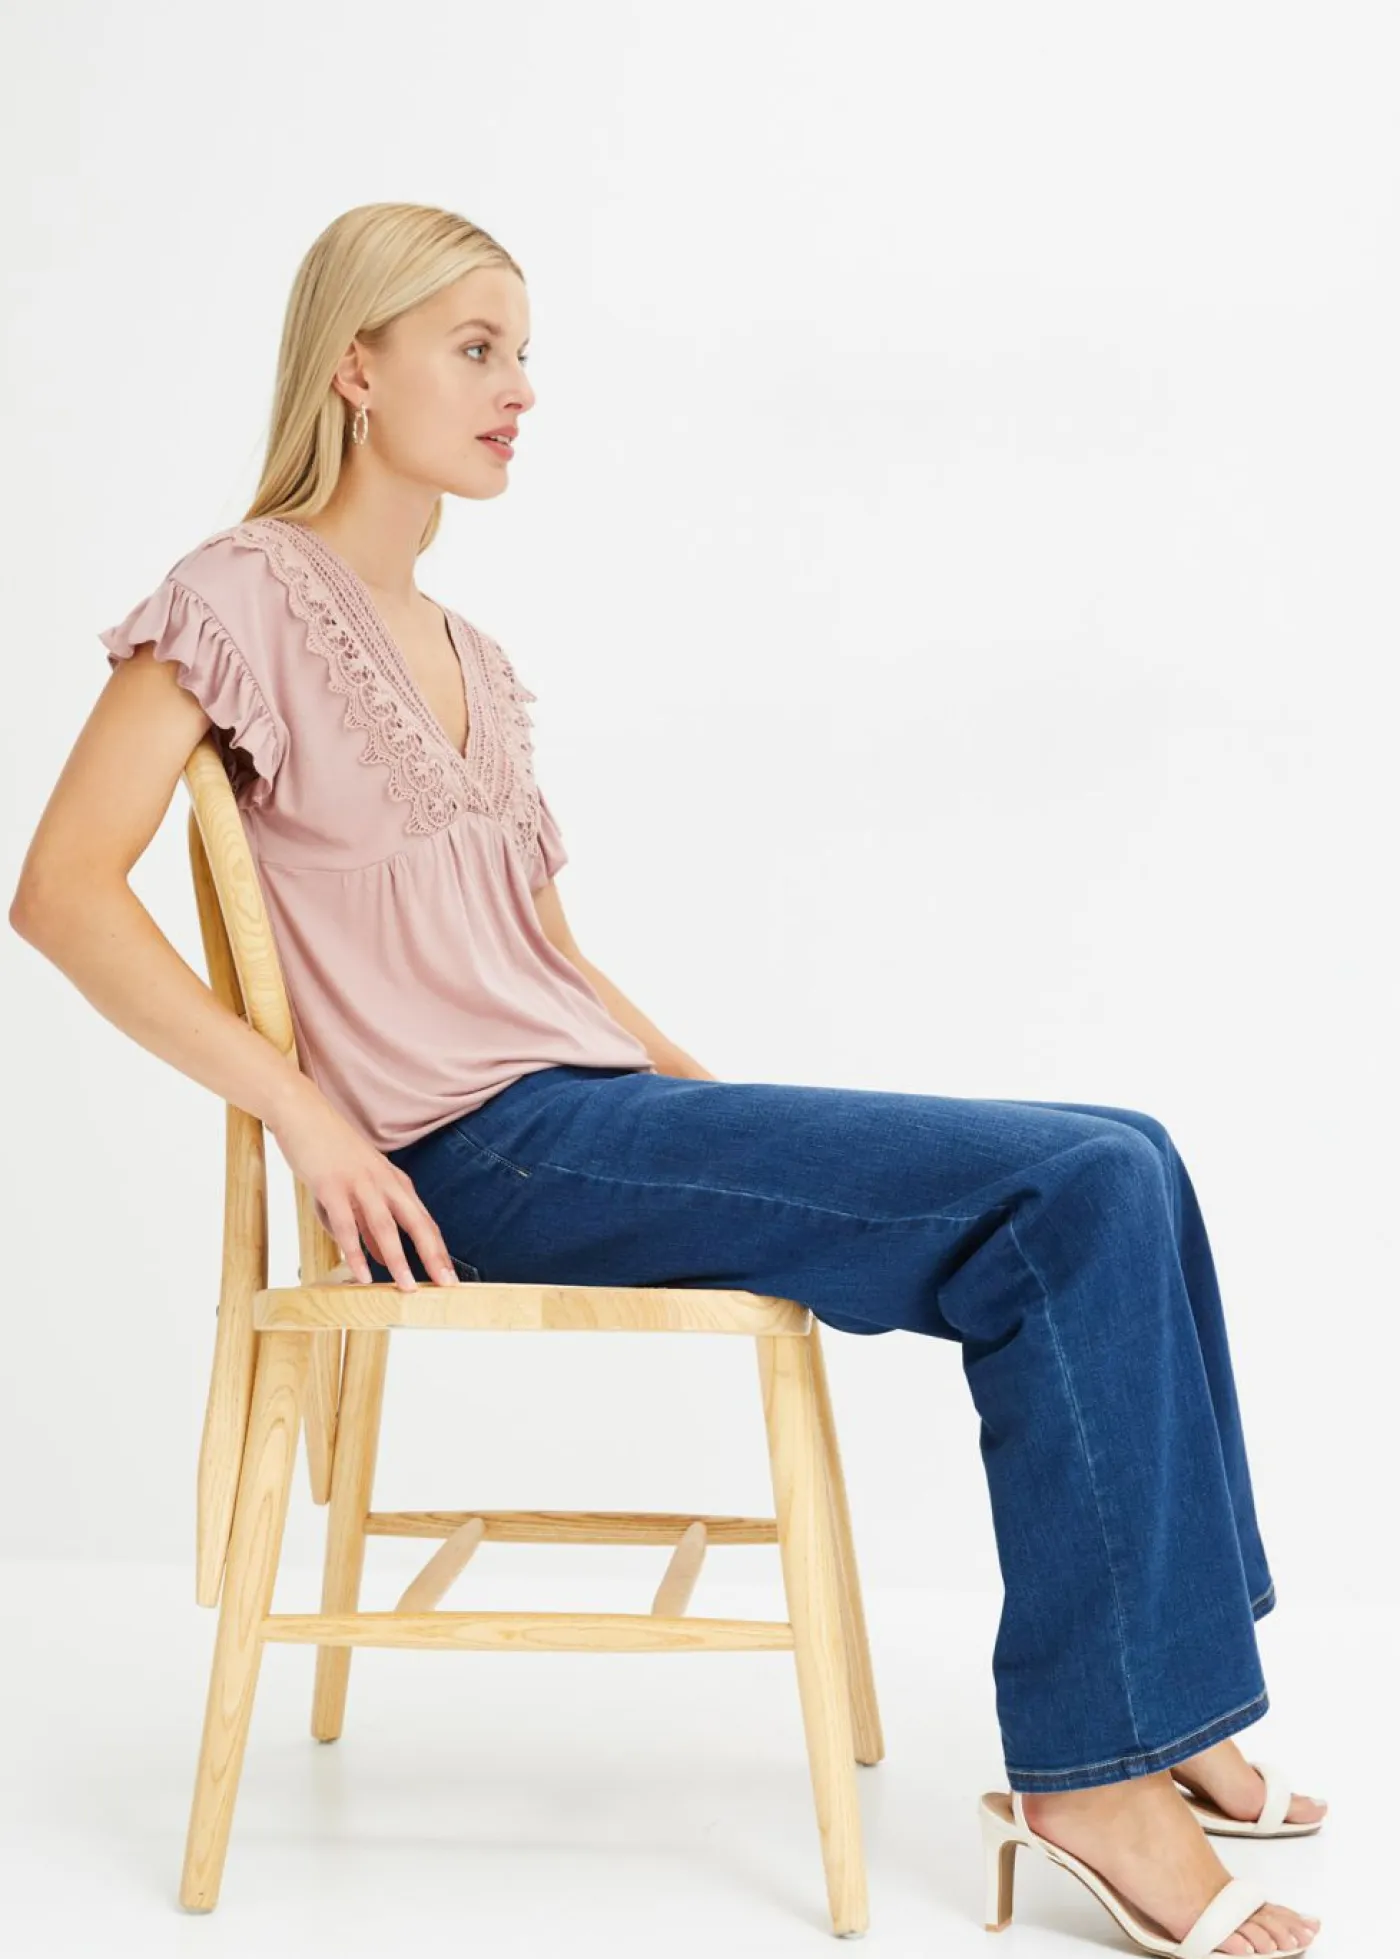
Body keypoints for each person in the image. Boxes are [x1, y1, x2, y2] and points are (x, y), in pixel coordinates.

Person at [9, 202, 1325, 1955]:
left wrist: (719, 1109)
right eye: (476, 348)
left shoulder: (475, 658)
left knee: (1127, 1146)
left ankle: (1173, 1702)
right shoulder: (238, 592)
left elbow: (550, 960)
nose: (519, 388)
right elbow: (61, 892)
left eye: (523, 353)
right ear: (356, 367)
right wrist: (302, 1113)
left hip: (590, 1115)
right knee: (1072, 1191)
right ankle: (1095, 1773)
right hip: (468, 1157)